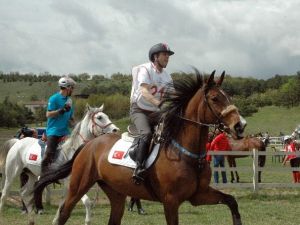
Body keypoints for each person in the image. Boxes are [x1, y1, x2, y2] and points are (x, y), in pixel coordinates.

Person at [129, 43, 174, 184]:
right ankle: (139, 168)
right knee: (146, 134)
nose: (168, 57)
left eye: (168, 55)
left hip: (155, 112)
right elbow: (144, 91)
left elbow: (173, 95)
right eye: (165, 54)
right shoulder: (145, 69)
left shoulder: (167, 77)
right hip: (139, 110)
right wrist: (159, 103)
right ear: (155, 57)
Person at [40, 76, 76, 174]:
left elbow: (71, 118)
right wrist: (61, 110)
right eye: (72, 87)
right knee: (49, 152)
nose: (73, 90)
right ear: (67, 87)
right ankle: (43, 174)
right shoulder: (54, 98)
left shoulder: (70, 100)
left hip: (66, 131)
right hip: (54, 131)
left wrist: (75, 125)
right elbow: (48, 114)